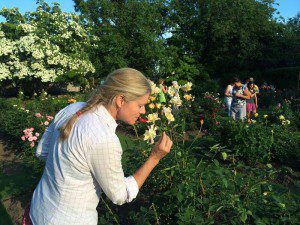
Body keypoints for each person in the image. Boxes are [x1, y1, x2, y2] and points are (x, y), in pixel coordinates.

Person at [26, 68, 173, 225]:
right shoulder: (104, 138)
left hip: (37, 210)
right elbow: (120, 195)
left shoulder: (72, 108)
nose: (143, 111)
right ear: (120, 100)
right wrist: (155, 157)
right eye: (140, 105)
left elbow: (42, 152)